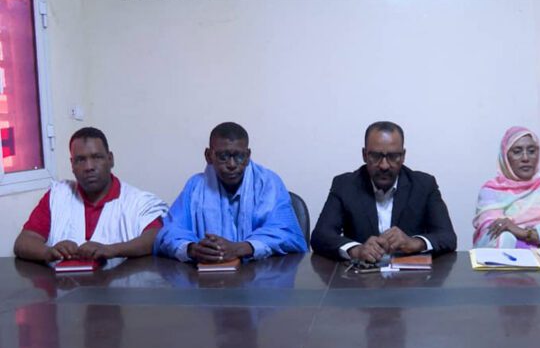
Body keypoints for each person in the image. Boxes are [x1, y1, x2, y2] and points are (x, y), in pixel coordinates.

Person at [154, 122, 306, 263]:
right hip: (206, 277)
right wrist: (192, 249)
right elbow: (169, 231)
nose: (232, 165)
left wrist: (240, 248)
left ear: (248, 156)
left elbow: (287, 233)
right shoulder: (195, 187)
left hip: (260, 275)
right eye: (223, 157)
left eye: (239, 156)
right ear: (208, 156)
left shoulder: (269, 183)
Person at [14, 127, 167, 264]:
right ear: (72, 165)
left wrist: (112, 249)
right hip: (65, 285)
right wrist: (49, 252)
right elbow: (23, 242)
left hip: (120, 285)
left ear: (110, 159)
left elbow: (156, 236)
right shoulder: (57, 196)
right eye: (80, 160)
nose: (89, 167)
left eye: (96, 157)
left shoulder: (138, 201)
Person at [311, 121, 456, 262]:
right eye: (375, 156)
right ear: (364, 155)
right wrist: (356, 250)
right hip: (361, 275)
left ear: (403, 156)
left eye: (393, 157)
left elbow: (448, 237)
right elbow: (320, 236)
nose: (384, 166)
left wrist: (414, 243)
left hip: (410, 276)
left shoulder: (424, 185)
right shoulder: (345, 185)